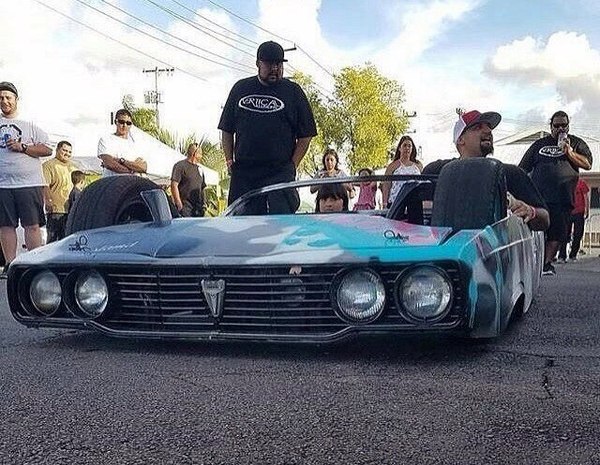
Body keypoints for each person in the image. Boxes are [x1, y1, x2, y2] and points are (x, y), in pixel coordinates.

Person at [218, 40, 317, 214]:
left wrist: (292, 165)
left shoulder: (293, 92)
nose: (275, 68)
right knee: (240, 223)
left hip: (280, 172)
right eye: (269, 64)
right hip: (245, 173)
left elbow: (306, 135)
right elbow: (226, 128)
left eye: (279, 64)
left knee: (281, 223)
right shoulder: (240, 88)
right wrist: (229, 159)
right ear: (258, 63)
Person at [423, 109, 549, 232]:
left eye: (489, 127)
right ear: (460, 139)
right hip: (446, 245)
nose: (488, 131)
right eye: (477, 127)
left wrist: (531, 211)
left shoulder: (511, 174)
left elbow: (545, 219)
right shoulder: (436, 171)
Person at [519, 111, 593, 275]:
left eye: (563, 125)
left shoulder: (576, 143)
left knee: (557, 234)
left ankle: (546, 264)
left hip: (562, 198)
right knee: (537, 231)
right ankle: (534, 263)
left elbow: (588, 164)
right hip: (538, 197)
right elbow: (523, 168)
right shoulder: (539, 144)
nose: (560, 129)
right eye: (556, 125)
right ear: (551, 126)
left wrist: (569, 152)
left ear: (568, 126)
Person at [0, 81, 52, 276]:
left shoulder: (30, 123)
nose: (4, 101)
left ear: (16, 99)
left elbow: (47, 149)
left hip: (29, 183)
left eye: (8, 97)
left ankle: (33, 262)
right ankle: (10, 263)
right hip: (3, 184)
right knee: (5, 225)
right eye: (1, 98)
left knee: (32, 225)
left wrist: (23, 147)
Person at [42, 140, 77, 242]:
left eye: (70, 152)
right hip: (56, 210)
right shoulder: (48, 165)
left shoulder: (74, 167)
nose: (67, 154)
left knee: (68, 241)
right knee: (53, 241)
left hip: (71, 210)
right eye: (64, 150)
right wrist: (48, 201)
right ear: (57, 150)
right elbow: (45, 185)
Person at [97, 108, 147, 177]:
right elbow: (110, 164)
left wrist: (121, 161)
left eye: (128, 123)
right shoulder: (106, 140)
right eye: (121, 122)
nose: (124, 125)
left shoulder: (135, 144)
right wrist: (132, 170)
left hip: (132, 182)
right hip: (113, 182)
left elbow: (143, 167)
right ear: (116, 122)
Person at [381, 135, 422, 207]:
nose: (407, 148)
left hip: (414, 201)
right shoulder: (392, 166)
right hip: (396, 201)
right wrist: (384, 203)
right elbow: (386, 185)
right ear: (400, 148)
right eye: (405, 145)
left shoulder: (418, 165)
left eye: (409, 146)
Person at [557, 177, 590, 262]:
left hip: (579, 211)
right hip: (567, 211)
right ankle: (562, 255)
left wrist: (587, 210)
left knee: (578, 234)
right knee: (564, 234)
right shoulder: (565, 183)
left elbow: (585, 197)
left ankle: (573, 254)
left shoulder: (581, 183)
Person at [170, 143, 206, 217]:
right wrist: (179, 204)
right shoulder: (180, 166)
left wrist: (204, 204)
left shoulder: (200, 169)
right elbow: (174, 185)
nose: (201, 156)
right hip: (185, 207)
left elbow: (202, 188)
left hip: (198, 209)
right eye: (200, 153)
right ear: (195, 154)